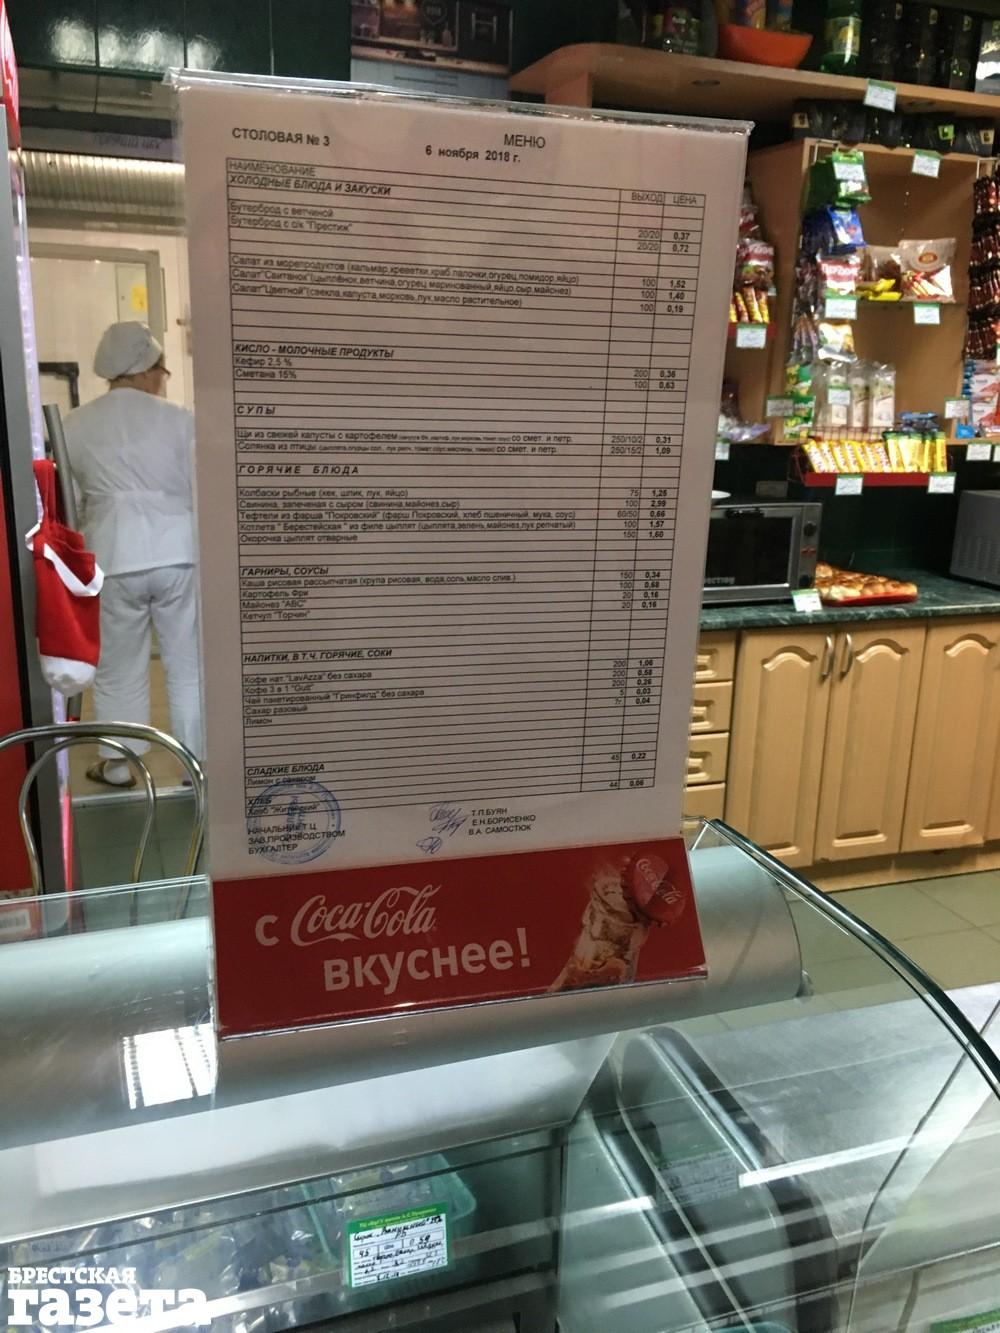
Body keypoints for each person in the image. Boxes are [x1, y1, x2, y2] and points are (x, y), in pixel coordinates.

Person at [63, 321, 203, 787]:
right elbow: (199, 488)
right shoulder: (180, 419)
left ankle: (120, 766)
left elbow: (72, 501)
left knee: (119, 668)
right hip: (178, 554)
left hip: (112, 555)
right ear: (144, 368)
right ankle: (194, 767)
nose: (163, 378)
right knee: (187, 667)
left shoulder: (74, 424)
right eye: (161, 369)